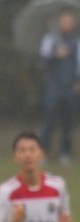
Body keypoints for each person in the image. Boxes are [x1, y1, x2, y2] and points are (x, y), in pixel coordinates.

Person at [39, 10, 80, 164]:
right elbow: (42, 61)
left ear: (73, 23)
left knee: (68, 122)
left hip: (70, 87)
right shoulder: (50, 39)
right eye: (64, 20)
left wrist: (78, 82)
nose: (67, 23)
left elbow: (79, 65)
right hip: (53, 86)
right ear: (59, 22)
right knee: (49, 120)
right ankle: (44, 153)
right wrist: (56, 54)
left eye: (69, 21)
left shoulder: (77, 41)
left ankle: (65, 152)